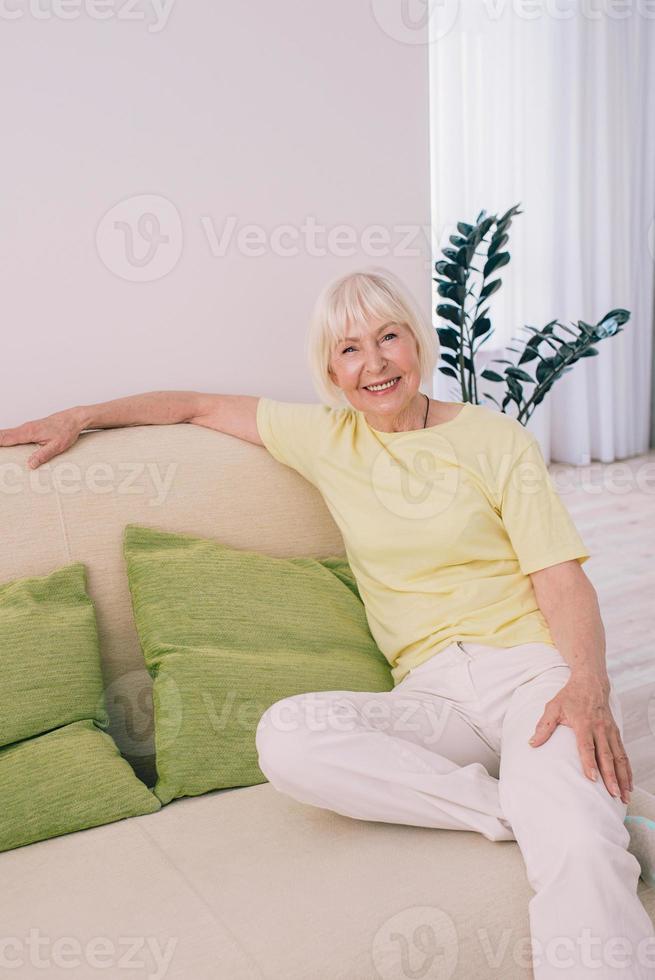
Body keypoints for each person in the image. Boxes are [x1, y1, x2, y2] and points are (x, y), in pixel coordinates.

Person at [1, 267, 653, 977]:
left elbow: (559, 577)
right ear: (330, 369)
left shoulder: (494, 441)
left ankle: (572, 824)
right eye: (348, 349)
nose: (373, 363)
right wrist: (80, 415)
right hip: (432, 697)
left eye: (387, 338)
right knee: (288, 737)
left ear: (415, 344)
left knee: (580, 854)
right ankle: (530, 810)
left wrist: (585, 683)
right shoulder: (325, 437)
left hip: (530, 672)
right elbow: (190, 405)